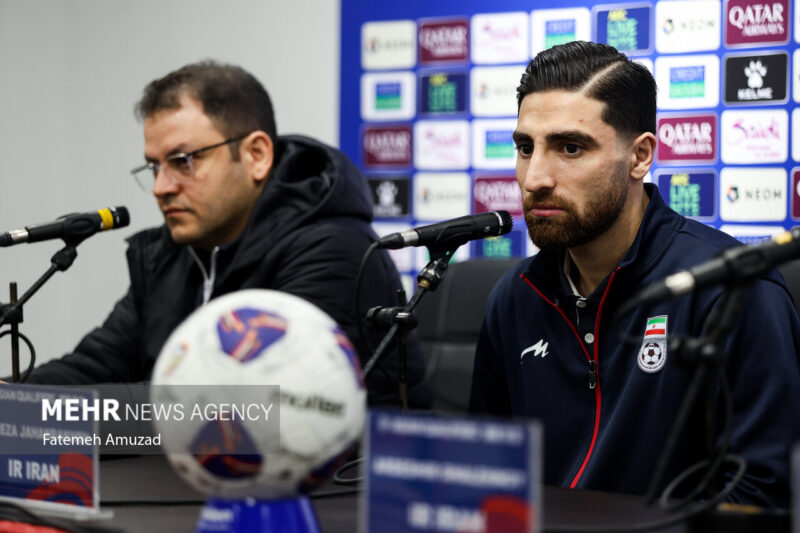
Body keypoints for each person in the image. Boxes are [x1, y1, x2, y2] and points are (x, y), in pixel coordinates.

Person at [469, 41, 800, 507]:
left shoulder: (731, 290)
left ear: (640, 156)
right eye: (526, 147)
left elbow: (763, 494)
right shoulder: (515, 296)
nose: (534, 177)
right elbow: (484, 475)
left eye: (570, 147)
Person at [21, 60, 427, 407]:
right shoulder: (171, 252)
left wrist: (64, 414)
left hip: (339, 492)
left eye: (183, 161)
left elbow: (248, 408)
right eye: (154, 167)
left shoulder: (335, 249)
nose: (162, 187)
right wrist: (14, 399)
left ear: (256, 155)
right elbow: (96, 364)